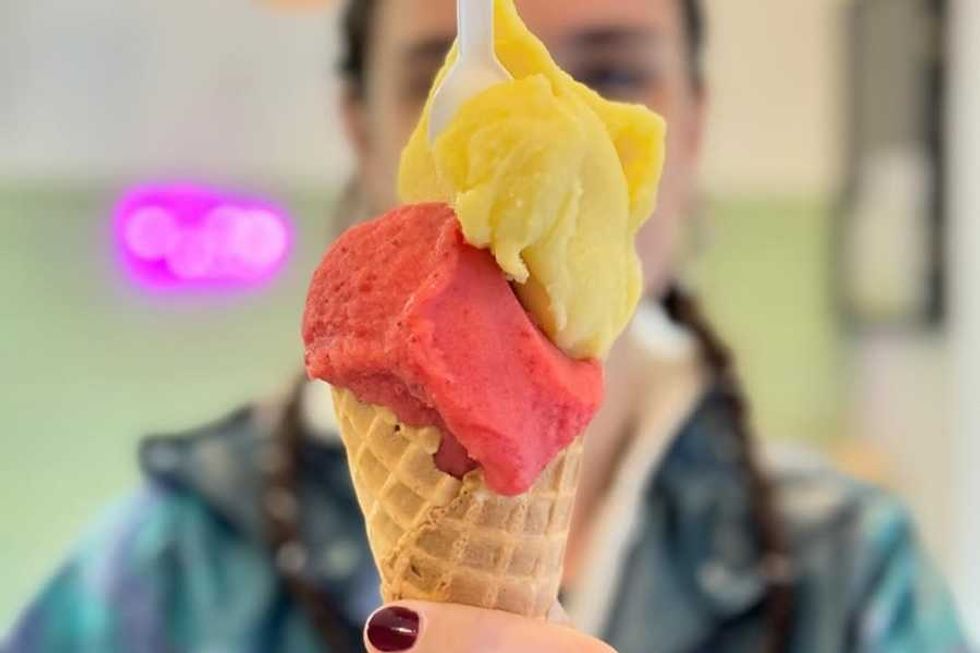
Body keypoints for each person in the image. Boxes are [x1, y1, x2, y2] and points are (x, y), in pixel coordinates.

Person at [5, 1, 971, 652]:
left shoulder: (854, 572)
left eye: (613, 71)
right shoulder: (173, 567)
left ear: (693, 130)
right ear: (363, 132)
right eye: (444, 83)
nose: (543, 124)